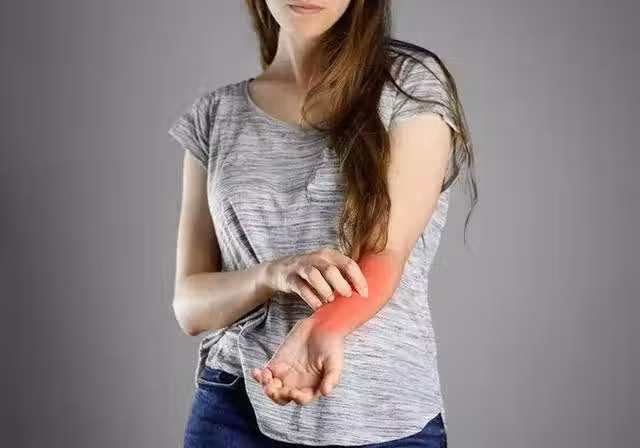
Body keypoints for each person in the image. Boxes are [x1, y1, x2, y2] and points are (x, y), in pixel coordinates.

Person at [168, 0, 477, 446]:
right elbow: (190, 305)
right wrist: (272, 275)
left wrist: (323, 327)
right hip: (235, 408)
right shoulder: (214, 116)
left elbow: (387, 250)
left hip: (384, 415)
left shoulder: (410, 84)